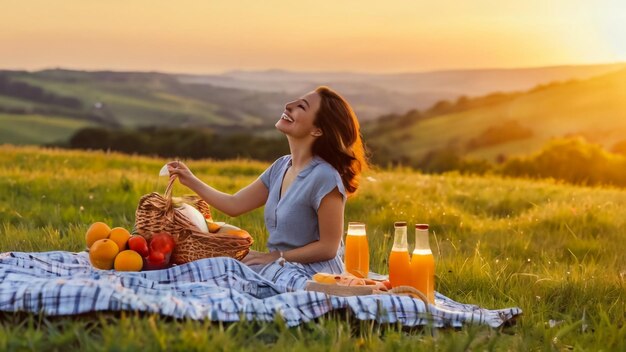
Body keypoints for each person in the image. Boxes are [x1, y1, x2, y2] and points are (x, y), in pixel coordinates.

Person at [167, 86, 367, 290]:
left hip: (315, 274)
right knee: (218, 268)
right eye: (295, 101)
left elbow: (329, 247)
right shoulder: (281, 167)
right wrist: (190, 179)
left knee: (235, 277)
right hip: (280, 267)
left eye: (301, 107)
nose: (289, 106)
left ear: (317, 130)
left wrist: (274, 257)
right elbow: (234, 204)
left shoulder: (325, 176)